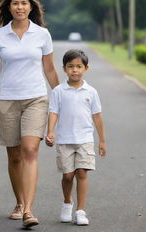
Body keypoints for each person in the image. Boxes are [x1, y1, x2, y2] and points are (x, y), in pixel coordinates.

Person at [0, 0, 59, 228]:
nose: (19, 7)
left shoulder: (42, 34)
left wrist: (60, 99)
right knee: (14, 155)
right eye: (15, 3)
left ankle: (28, 210)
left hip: (36, 98)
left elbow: (49, 69)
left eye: (24, 3)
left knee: (29, 150)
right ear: (9, 7)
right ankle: (19, 201)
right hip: (7, 100)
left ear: (31, 7)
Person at [45, 49, 106, 225]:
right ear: (64, 68)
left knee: (82, 173)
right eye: (70, 66)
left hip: (85, 139)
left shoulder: (91, 92)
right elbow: (53, 112)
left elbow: (97, 116)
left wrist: (102, 140)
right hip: (65, 140)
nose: (75, 70)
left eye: (79, 66)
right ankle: (67, 202)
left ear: (86, 68)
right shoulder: (58, 91)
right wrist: (50, 131)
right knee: (67, 175)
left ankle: (80, 210)